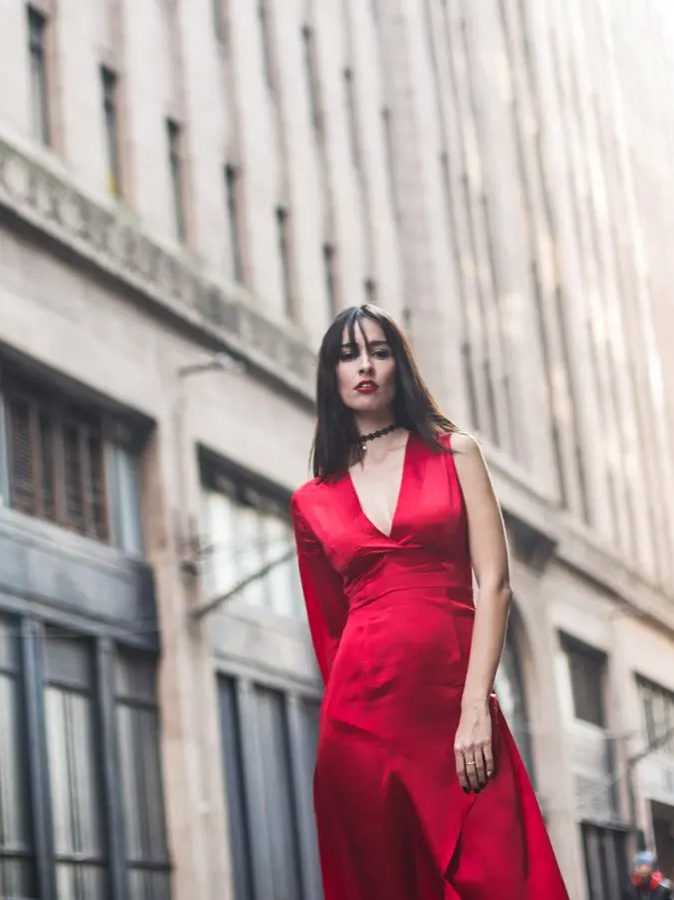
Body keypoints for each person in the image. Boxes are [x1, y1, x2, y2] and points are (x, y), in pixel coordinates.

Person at [291, 305, 569, 899]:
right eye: (348, 355)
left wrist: (475, 708)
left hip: (454, 708)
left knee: (509, 879)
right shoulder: (312, 500)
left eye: (379, 351)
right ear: (331, 376)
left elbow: (493, 582)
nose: (364, 366)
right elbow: (330, 636)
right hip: (360, 731)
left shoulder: (454, 452)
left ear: (400, 367)